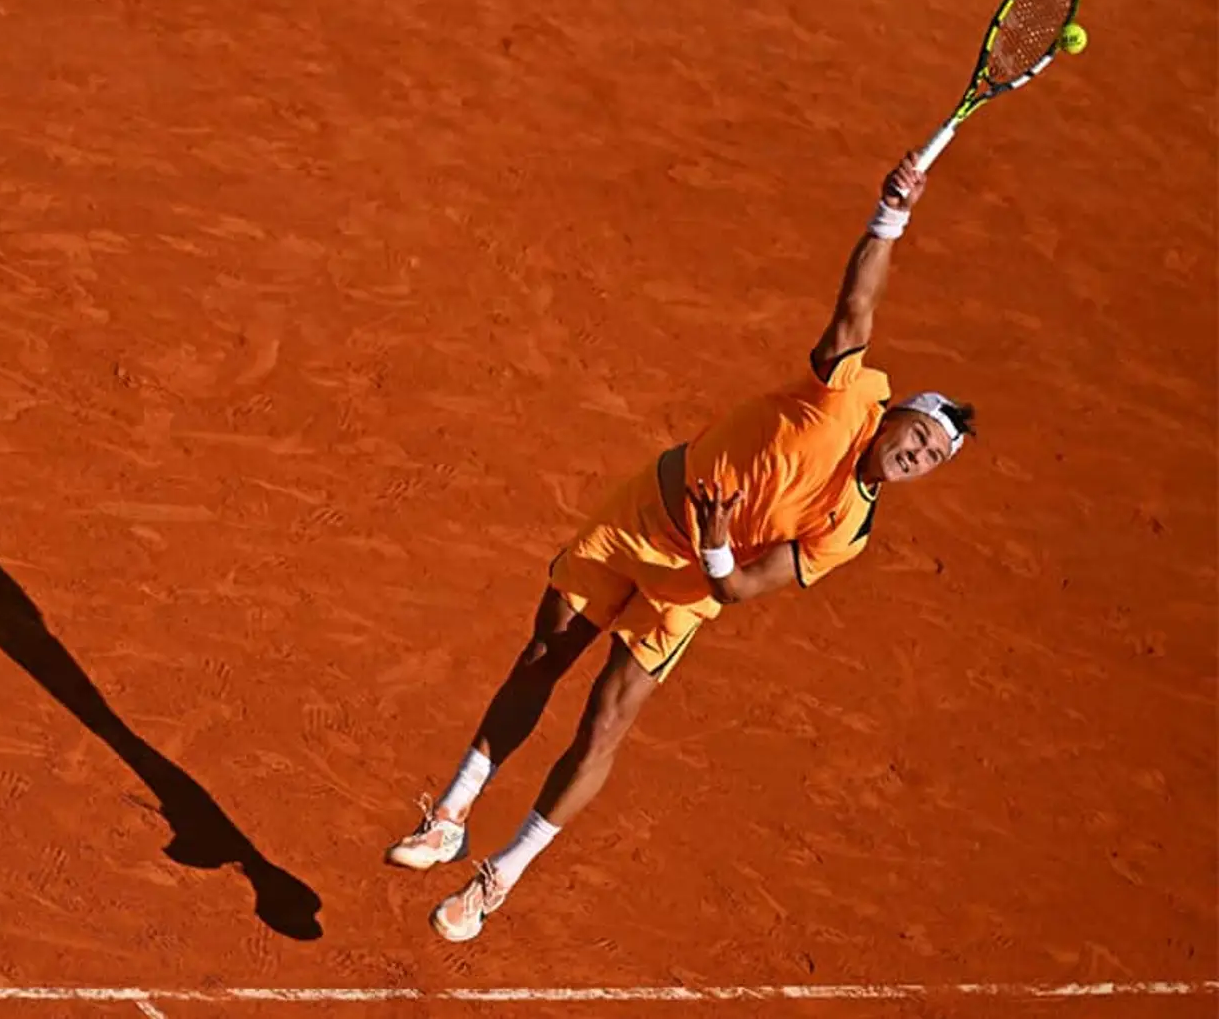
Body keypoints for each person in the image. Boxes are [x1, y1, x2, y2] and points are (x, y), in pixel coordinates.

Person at [385, 150, 977, 943]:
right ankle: (451, 815)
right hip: (640, 518)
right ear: (900, 412)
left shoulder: (851, 530)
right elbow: (857, 303)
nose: (920, 457)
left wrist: (720, 543)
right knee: (544, 654)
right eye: (924, 437)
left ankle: (502, 874)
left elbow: (741, 589)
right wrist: (891, 214)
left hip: (696, 580)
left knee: (605, 721)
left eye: (935, 460)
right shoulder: (847, 390)